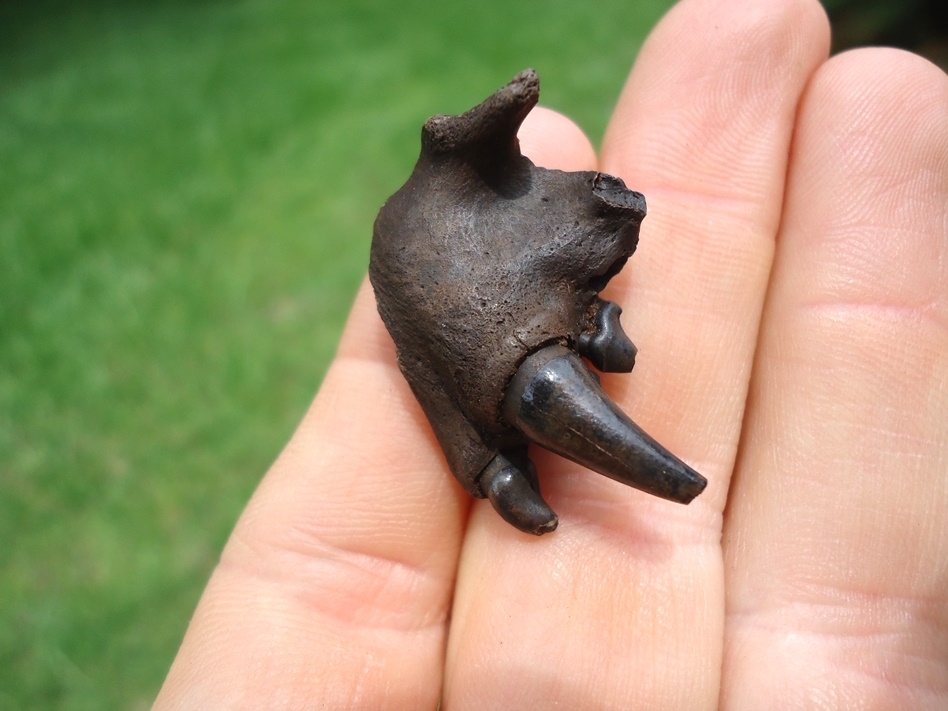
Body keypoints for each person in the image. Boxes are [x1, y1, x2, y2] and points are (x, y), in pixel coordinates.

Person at [153, 0, 948, 707]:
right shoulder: (421, 237)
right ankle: (509, 432)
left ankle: (533, 396)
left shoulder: (505, 218)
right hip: (476, 298)